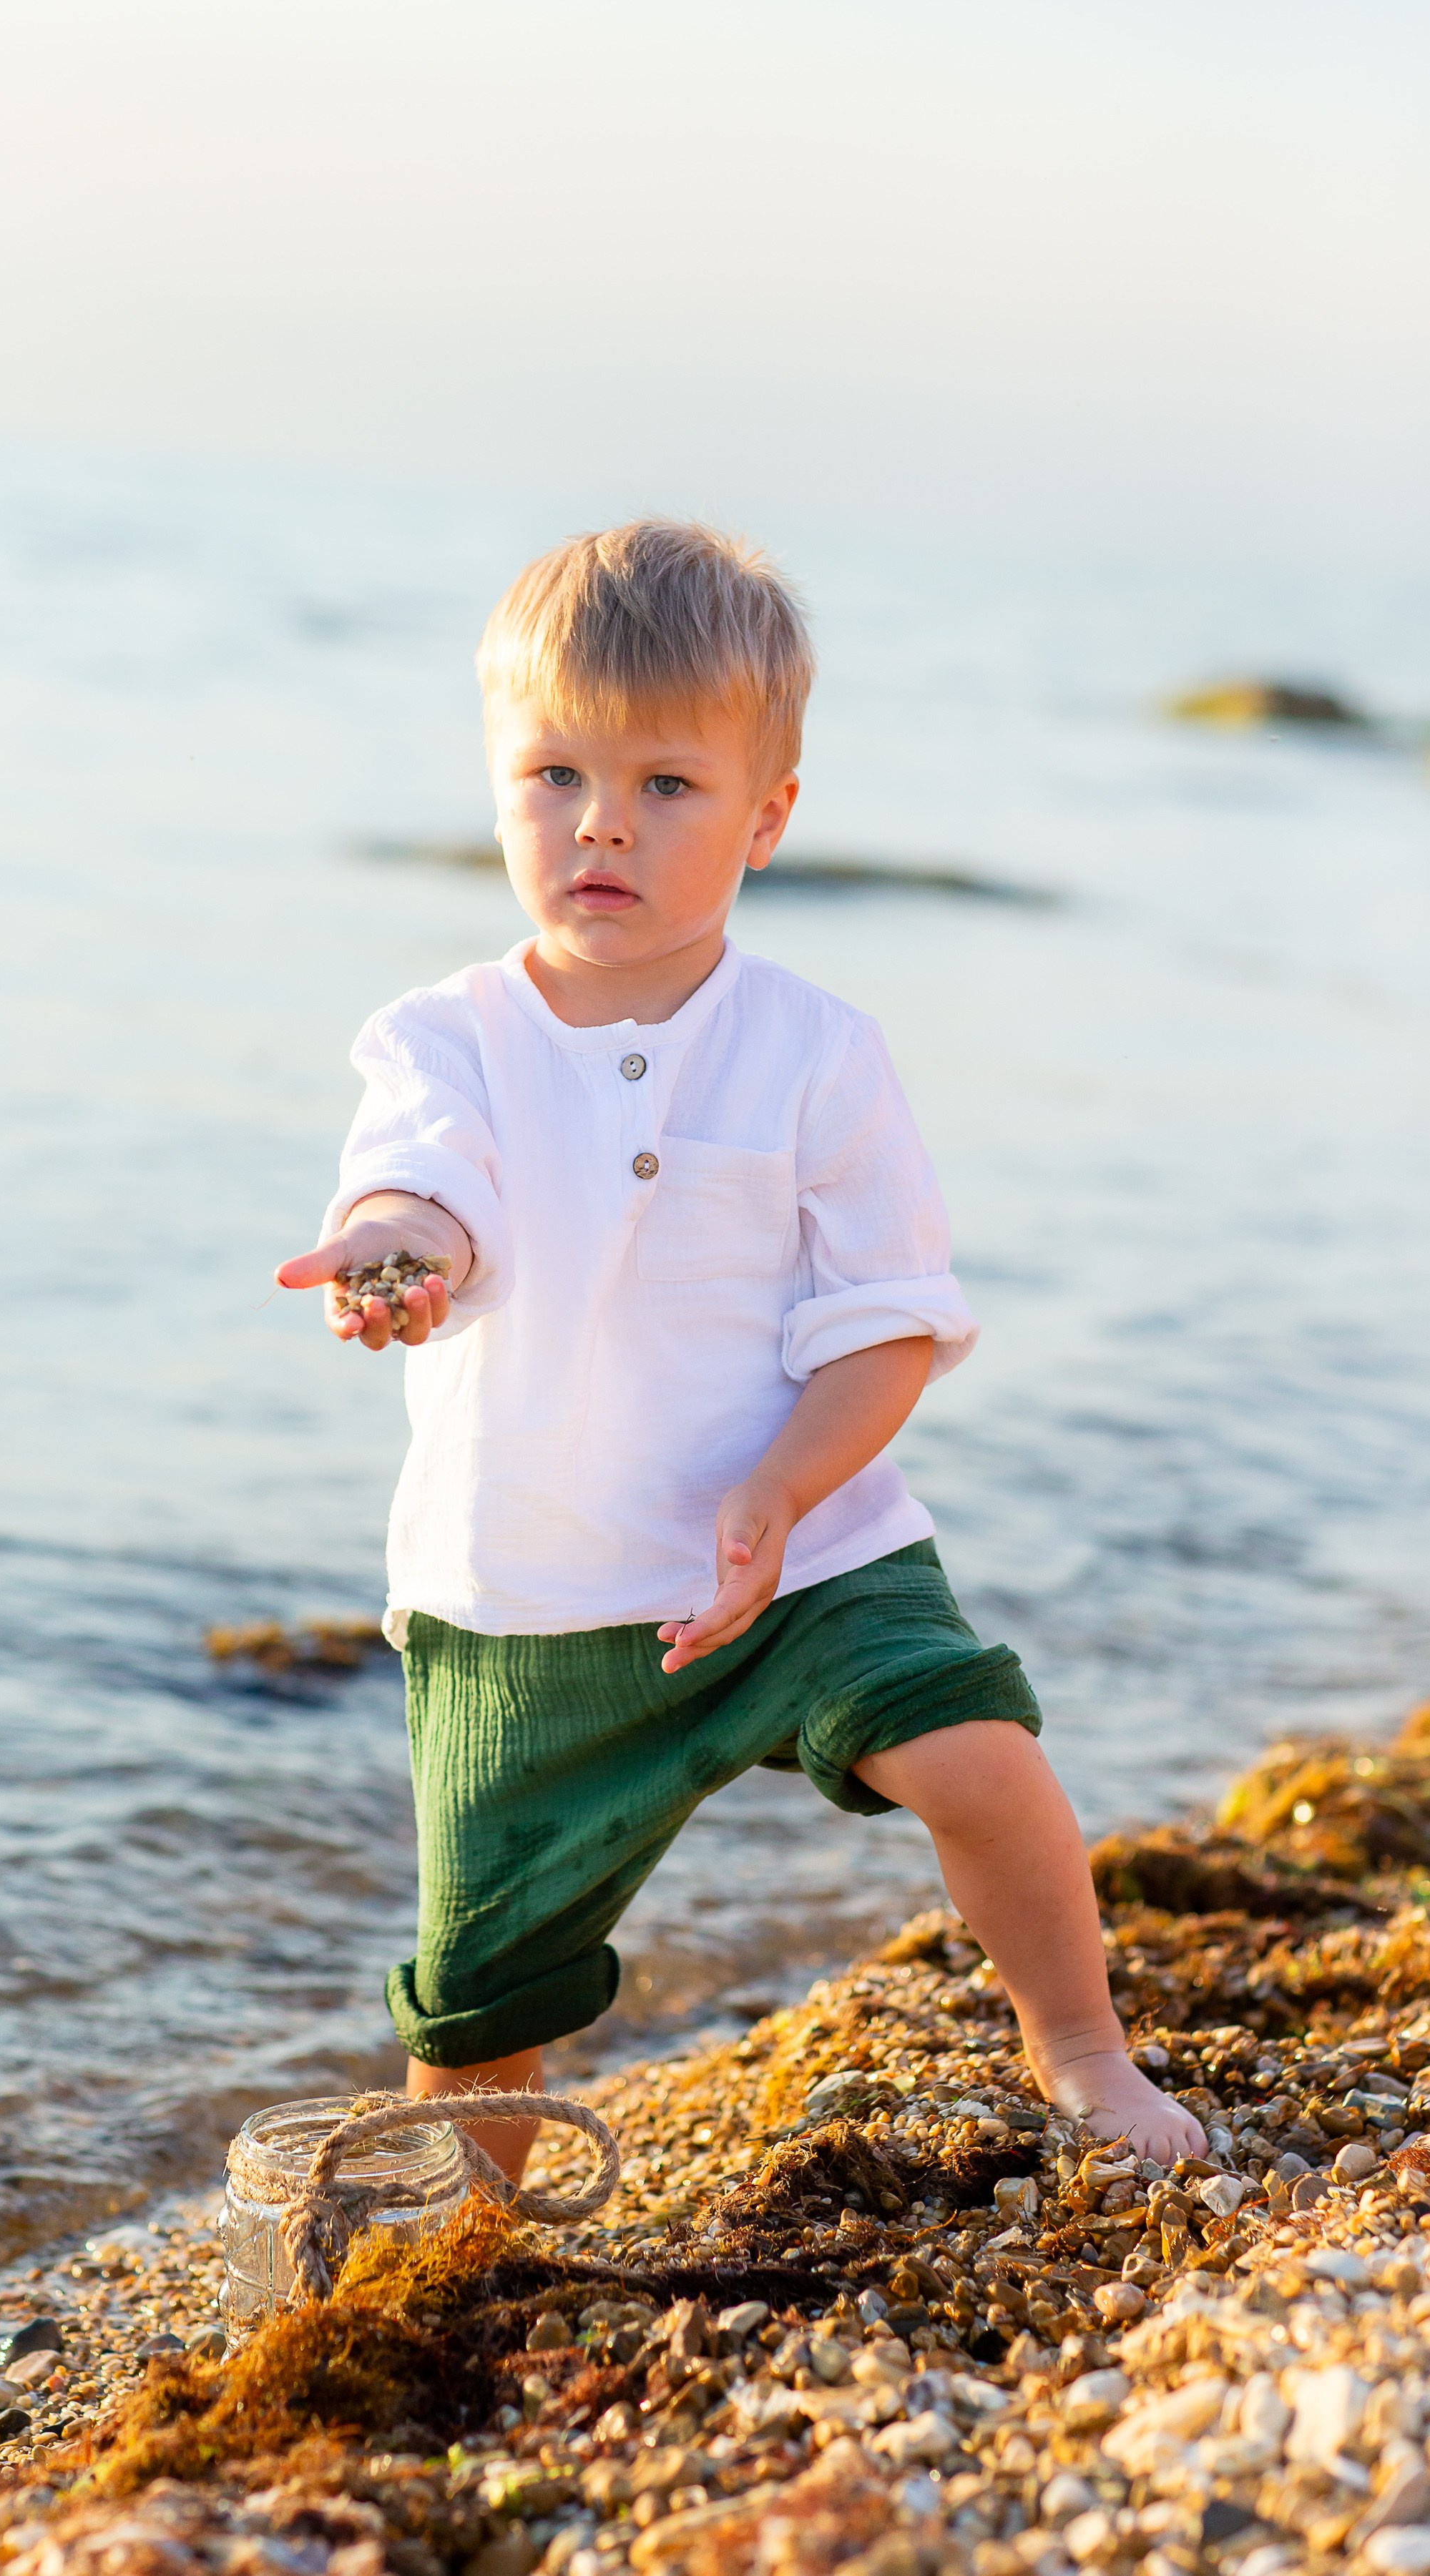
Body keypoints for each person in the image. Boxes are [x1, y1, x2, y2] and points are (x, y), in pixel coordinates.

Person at [277, 521, 1203, 2183]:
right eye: (552, 773)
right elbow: (425, 1191)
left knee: (980, 1755)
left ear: (767, 817)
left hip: (805, 1556)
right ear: (495, 787)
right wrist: (389, 1258)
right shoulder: (444, 1039)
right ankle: (464, 2221)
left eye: (667, 785)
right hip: (529, 1593)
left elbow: (884, 1330)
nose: (601, 822)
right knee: (481, 2000)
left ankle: (1081, 2048)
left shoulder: (814, 1055)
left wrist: (782, 1490)